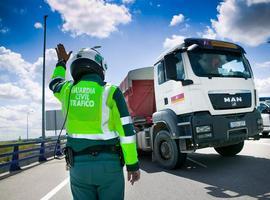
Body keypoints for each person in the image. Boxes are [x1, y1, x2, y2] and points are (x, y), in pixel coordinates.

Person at [49, 44, 140, 200]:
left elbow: (54, 83)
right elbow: (126, 132)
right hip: (109, 166)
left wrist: (61, 63)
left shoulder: (66, 90)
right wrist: (132, 165)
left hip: (78, 167)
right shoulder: (111, 91)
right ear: (99, 67)